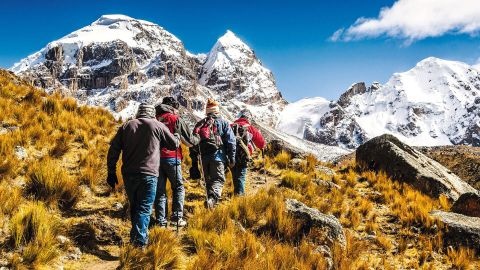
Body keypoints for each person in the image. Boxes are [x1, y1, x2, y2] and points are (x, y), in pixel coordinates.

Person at [106, 103, 179, 247]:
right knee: (144, 207)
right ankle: (139, 244)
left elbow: (113, 150)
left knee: (135, 206)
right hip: (149, 174)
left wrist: (111, 172)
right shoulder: (157, 125)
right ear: (152, 113)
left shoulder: (127, 126)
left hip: (128, 174)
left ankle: (136, 238)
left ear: (139, 113)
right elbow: (174, 145)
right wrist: (176, 135)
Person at [153, 97, 199, 227]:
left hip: (155, 159)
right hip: (173, 157)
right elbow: (189, 141)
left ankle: (161, 222)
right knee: (178, 187)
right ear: (172, 107)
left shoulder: (154, 119)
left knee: (160, 190)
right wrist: (198, 139)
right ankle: (177, 217)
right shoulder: (175, 119)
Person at [191, 98, 236, 208]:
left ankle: (210, 204)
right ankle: (212, 200)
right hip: (218, 156)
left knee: (208, 181)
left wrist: (194, 162)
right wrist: (232, 157)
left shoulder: (200, 124)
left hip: (203, 158)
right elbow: (231, 141)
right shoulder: (223, 123)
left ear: (207, 111)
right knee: (218, 180)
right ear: (217, 110)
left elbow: (193, 143)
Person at [230, 109, 266, 195]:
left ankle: (237, 193)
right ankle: (239, 197)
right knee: (241, 176)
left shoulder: (230, 126)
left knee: (235, 174)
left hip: (230, 154)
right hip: (244, 154)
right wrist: (262, 147)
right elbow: (261, 142)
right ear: (248, 118)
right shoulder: (250, 128)